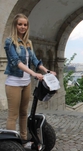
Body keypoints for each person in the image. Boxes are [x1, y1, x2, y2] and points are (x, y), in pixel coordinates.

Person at [4, 13, 56, 145]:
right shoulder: (10, 42)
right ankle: (11, 143)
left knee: (23, 113)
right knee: (13, 115)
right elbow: (16, 62)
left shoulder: (28, 43)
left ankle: (23, 138)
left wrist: (47, 71)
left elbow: (34, 60)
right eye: (20, 24)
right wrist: (34, 74)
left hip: (26, 83)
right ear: (15, 26)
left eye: (25, 24)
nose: (23, 27)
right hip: (14, 83)